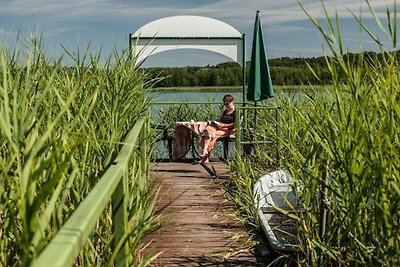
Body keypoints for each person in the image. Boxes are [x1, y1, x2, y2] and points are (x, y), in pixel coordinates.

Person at [197, 94, 236, 163]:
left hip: (227, 130)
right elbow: (218, 120)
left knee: (212, 135)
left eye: (227, 103)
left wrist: (224, 126)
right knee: (208, 129)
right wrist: (215, 123)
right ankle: (205, 152)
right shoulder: (224, 111)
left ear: (232, 102)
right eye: (225, 104)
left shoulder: (236, 112)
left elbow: (235, 124)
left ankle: (205, 156)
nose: (226, 105)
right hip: (219, 128)